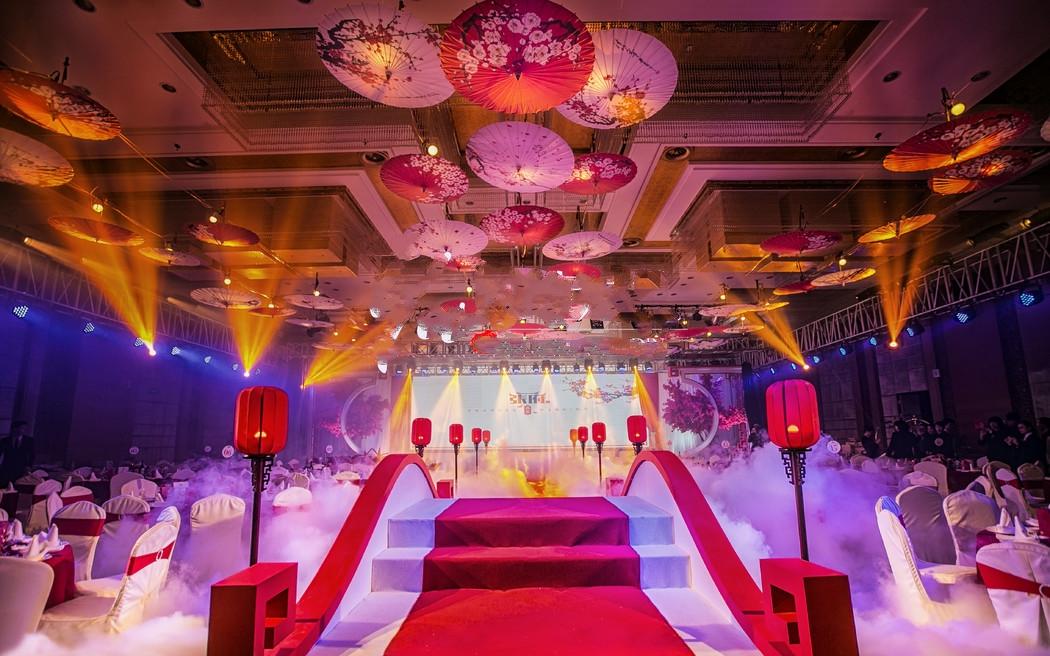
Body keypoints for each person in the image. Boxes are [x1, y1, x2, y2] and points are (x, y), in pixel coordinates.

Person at [0, 421, 35, 486]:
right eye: (21, 428)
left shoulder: (29, 440)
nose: (22, 430)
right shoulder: (5, 440)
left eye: (24, 428)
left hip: (21, 467)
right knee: (4, 485)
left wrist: (29, 466)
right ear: (14, 428)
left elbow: (32, 454)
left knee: (19, 484)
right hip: (6, 467)